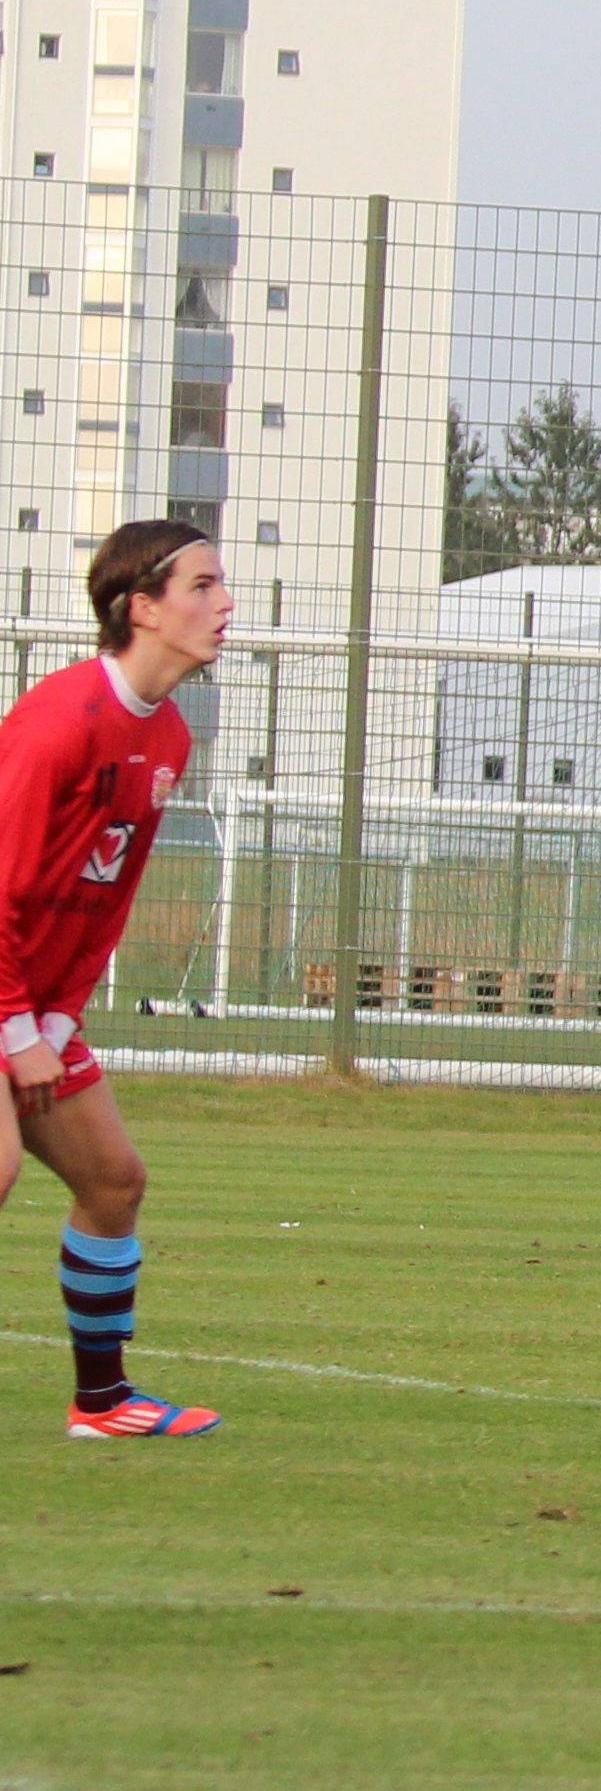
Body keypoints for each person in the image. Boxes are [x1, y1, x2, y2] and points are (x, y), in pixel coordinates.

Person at [0, 518, 232, 1437]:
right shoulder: (59, 719)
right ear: (142, 607)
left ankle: (101, 1402)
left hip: (31, 1007)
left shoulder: (168, 735)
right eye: (203, 586)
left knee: (112, 1181)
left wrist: (55, 1024)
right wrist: (18, 1031)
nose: (225, 604)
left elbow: (105, 898)